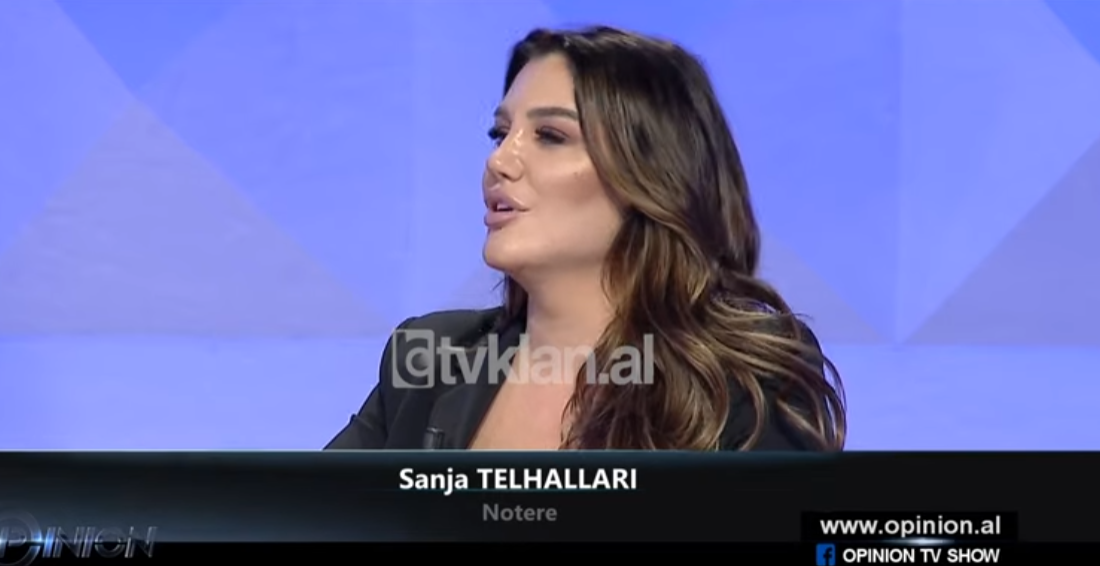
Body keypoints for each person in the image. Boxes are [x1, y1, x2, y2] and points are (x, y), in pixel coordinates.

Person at [326, 26, 845, 451]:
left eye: (551, 136)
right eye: (500, 133)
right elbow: (310, 517)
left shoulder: (747, 380)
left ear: (651, 176)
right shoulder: (432, 359)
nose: (499, 161)